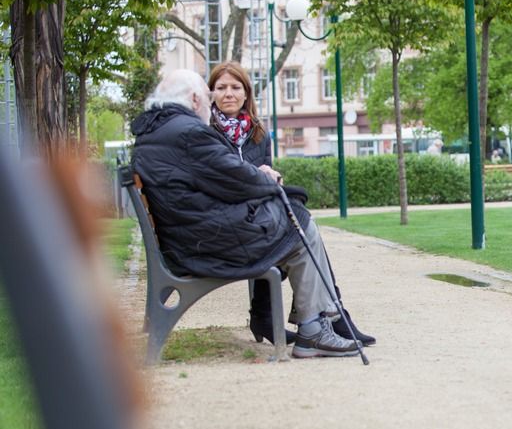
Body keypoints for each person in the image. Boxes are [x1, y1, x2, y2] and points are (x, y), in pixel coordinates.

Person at [131, 69, 371, 358]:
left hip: (190, 236)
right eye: (210, 96)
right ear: (195, 99)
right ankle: (315, 326)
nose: (214, 102)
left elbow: (218, 176)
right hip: (204, 243)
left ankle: (322, 319)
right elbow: (237, 178)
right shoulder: (188, 132)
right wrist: (268, 179)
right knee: (300, 222)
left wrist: (258, 179)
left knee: (295, 216)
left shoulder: (157, 131)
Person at [206, 61, 374, 347]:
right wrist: (256, 176)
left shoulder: (258, 132)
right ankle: (331, 315)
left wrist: (271, 179)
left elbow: (264, 183)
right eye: (221, 88)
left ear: (246, 93)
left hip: (255, 217)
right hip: (232, 223)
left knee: (299, 223)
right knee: (301, 231)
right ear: (211, 93)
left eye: (235, 87)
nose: (228, 94)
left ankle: (284, 316)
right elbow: (219, 184)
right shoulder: (206, 134)